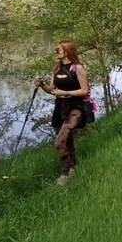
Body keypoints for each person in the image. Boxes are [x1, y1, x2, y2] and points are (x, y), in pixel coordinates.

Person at [34, 41, 90, 186]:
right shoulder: (57, 68)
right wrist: (42, 86)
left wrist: (65, 92)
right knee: (67, 139)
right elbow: (52, 90)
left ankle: (65, 174)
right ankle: (73, 167)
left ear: (67, 51)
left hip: (76, 108)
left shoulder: (77, 68)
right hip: (60, 109)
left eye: (58, 49)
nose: (55, 52)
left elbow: (85, 90)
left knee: (59, 142)